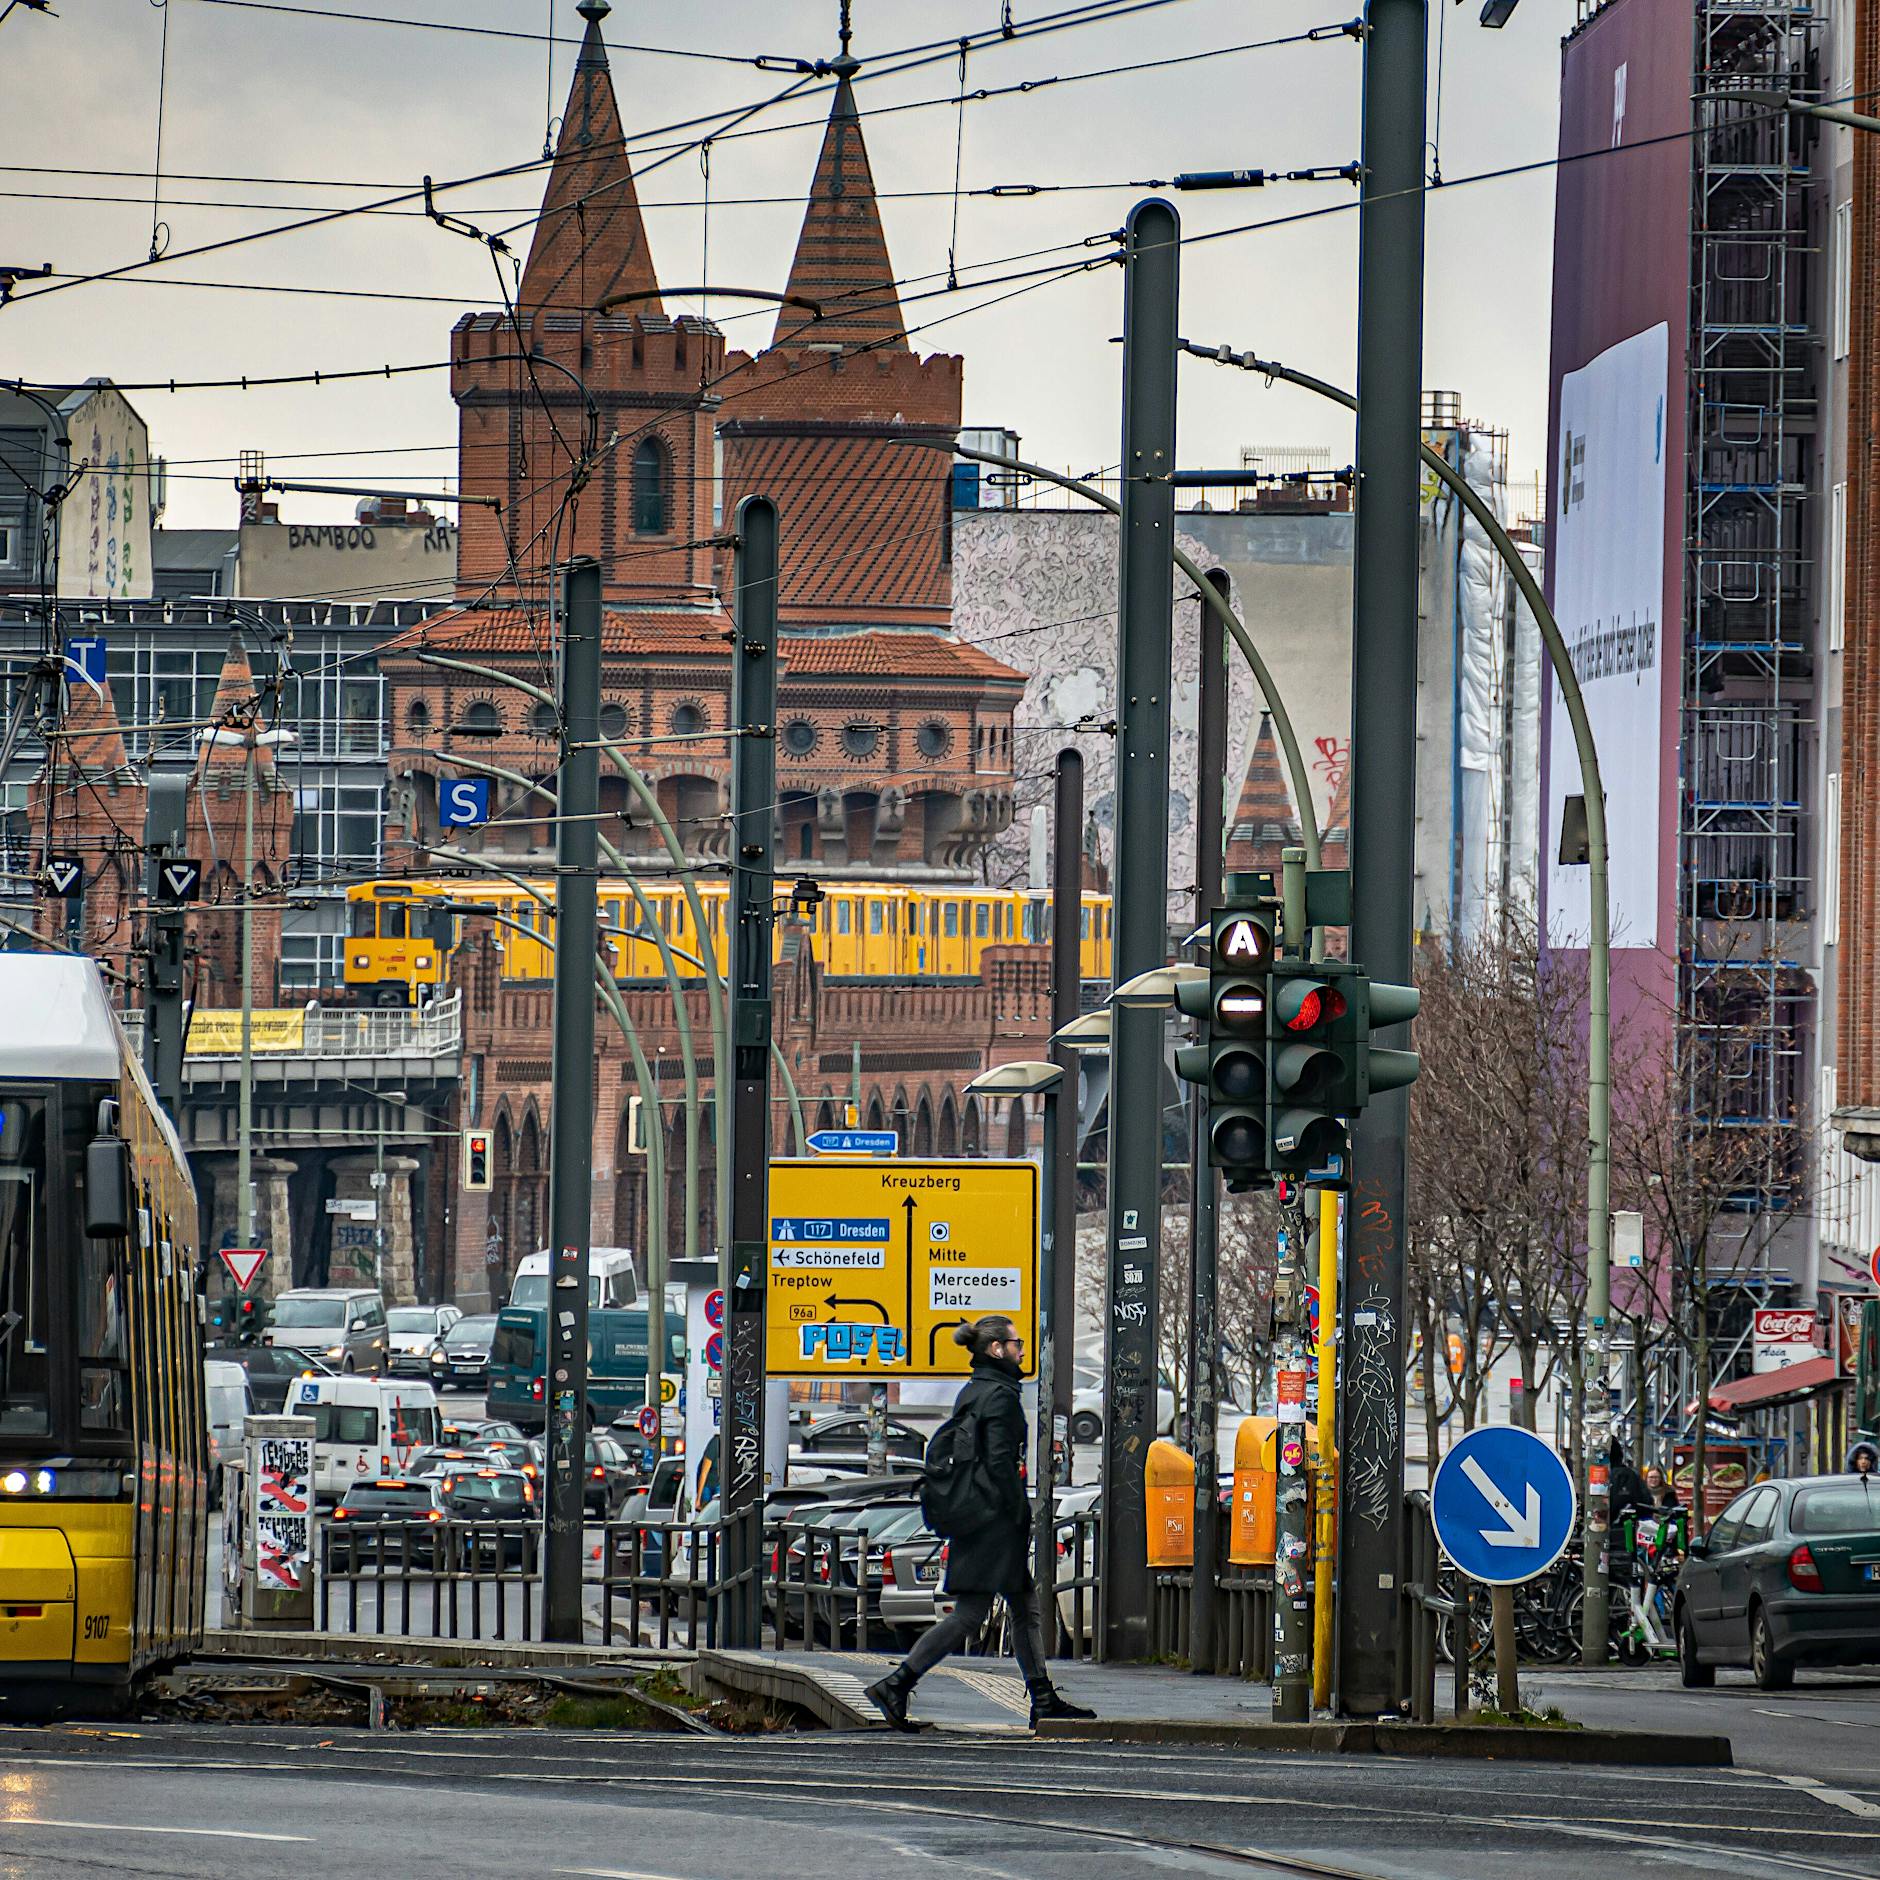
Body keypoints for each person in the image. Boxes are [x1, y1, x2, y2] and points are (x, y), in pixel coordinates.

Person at [864, 1315, 1095, 1733]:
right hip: (994, 1523)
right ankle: (897, 1684)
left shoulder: (973, 1391)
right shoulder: (1001, 1398)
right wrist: (1015, 1515)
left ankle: (1042, 1699)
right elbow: (1001, 1464)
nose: (1021, 1350)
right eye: (1016, 1343)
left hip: (978, 1519)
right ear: (996, 1349)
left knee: (1024, 1608)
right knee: (971, 1615)